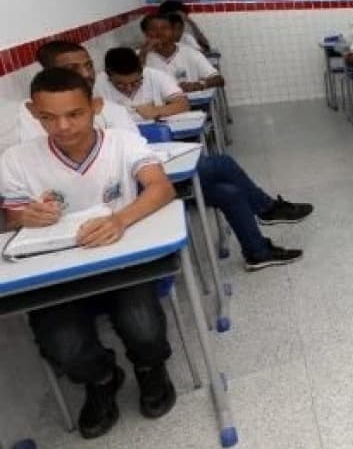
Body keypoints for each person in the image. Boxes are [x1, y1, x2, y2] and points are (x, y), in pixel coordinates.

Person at [4, 67, 178, 439]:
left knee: (143, 328)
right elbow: (11, 217)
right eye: (48, 118)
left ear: (95, 106)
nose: (62, 127)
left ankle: (149, 369)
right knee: (64, 347)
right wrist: (24, 216)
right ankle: (101, 378)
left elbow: (161, 188)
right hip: (56, 273)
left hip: (123, 265)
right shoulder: (16, 160)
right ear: (34, 113)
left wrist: (120, 220)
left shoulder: (122, 143)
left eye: (74, 114)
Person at [31, 41, 310, 270]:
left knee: (229, 192)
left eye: (88, 64)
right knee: (222, 164)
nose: (86, 72)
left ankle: (257, 250)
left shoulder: (104, 106)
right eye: (73, 68)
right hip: (113, 196)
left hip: (145, 178)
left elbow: (139, 145)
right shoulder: (38, 120)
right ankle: (266, 209)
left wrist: (157, 115)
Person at [95, 47, 189, 122]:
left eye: (135, 82)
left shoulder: (155, 76)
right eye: (120, 84)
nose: (129, 89)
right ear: (108, 75)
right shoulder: (97, 85)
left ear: (141, 70)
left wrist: (157, 111)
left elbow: (183, 104)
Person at [139, 13, 224, 92]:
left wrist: (199, 85)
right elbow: (135, 85)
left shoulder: (189, 52)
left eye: (164, 28)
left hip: (191, 104)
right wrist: (143, 53)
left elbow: (218, 79)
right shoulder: (141, 55)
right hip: (159, 106)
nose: (159, 33)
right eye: (153, 29)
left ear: (172, 31)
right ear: (146, 33)